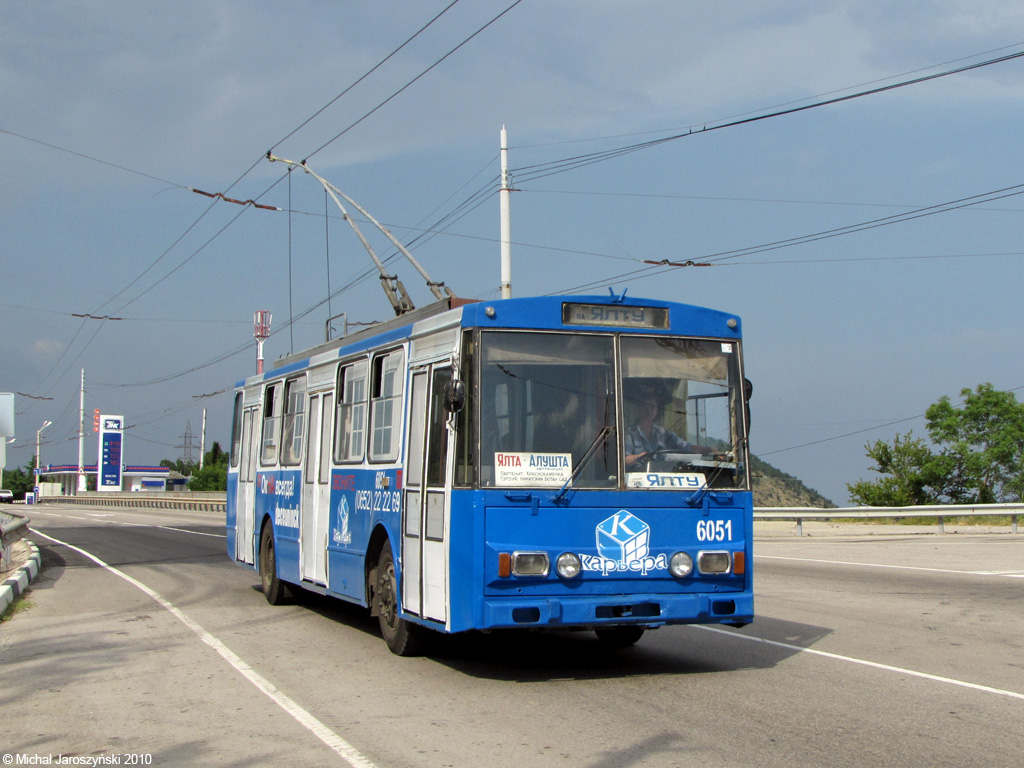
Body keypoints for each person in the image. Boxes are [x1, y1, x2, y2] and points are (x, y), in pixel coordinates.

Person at [624, 394, 696, 470]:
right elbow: (624, 461)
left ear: (656, 410)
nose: (648, 410)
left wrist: (709, 450)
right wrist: (638, 457)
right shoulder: (629, 434)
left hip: (663, 477)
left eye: (652, 407)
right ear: (638, 409)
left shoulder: (664, 433)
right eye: (644, 406)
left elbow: (687, 447)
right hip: (636, 478)